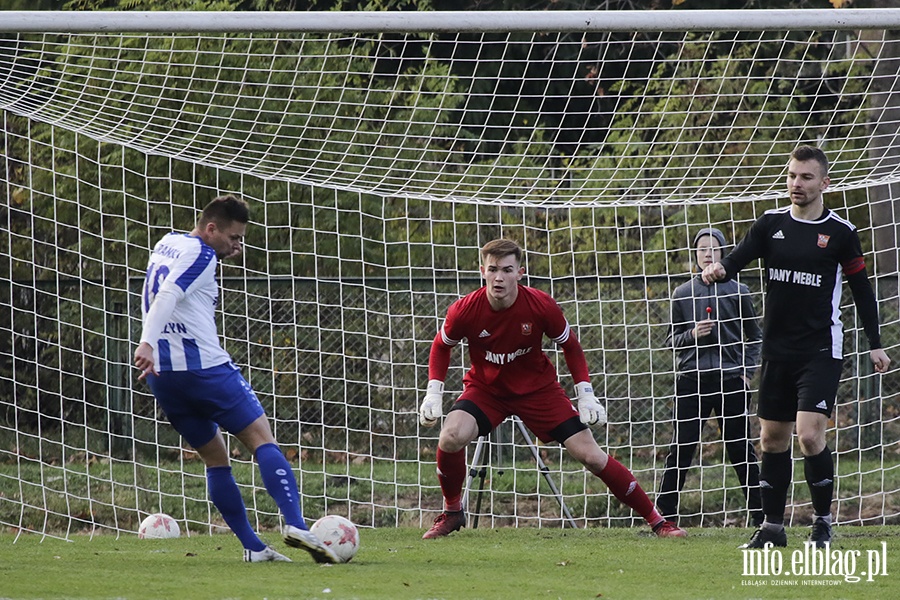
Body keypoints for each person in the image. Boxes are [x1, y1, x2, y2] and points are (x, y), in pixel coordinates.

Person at [418, 238, 687, 539]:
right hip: (486, 390)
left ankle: (658, 521)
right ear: (482, 271)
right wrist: (434, 391)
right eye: (492, 269)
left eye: (507, 270)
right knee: (450, 436)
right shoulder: (465, 309)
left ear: (519, 272)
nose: (499, 277)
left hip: (538, 391)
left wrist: (585, 393)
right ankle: (452, 512)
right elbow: (442, 346)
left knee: (592, 457)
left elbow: (570, 346)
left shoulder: (540, 305)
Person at [701, 146, 891, 549]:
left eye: (805, 177)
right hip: (776, 351)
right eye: (791, 176)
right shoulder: (770, 224)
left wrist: (875, 344)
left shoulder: (840, 233)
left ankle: (822, 522)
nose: (796, 184)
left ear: (824, 183)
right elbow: (738, 258)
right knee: (771, 440)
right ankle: (772, 528)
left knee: (808, 436)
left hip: (821, 349)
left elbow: (862, 290)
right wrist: (720, 269)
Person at [133, 195, 337, 563]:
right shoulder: (202, 254)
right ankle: (294, 524)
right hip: (205, 370)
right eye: (233, 238)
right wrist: (146, 341)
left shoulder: (168, 242)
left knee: (215, 458)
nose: (236, 246)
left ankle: (254, 548)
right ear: (211, 229)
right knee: (261, 438)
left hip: (163, 377)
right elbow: (167, 295)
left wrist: (153, 346)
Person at [658, 227, 763, 527]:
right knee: (682, 446)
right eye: (702, 248)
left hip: (731, 379)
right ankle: (664, 516)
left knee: (741, 448)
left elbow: (755, 337)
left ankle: (761, 518)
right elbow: (670, 340)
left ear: (722, 254)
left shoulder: (739, 291)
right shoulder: (682, 293)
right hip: (692, 380)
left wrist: (746, 373)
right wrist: (692, 334)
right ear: (695, 255)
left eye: (713, 249)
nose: (707, 253)